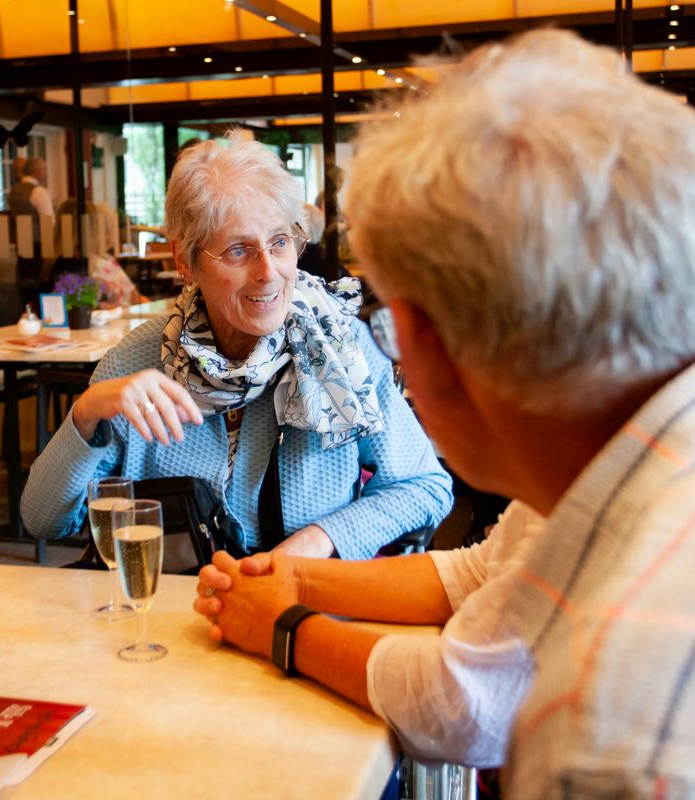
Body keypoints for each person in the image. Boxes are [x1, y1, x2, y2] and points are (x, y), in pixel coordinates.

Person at [194, 29, 695, 797]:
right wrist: (292, 579)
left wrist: (284, 630)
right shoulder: (609, 461)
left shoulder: (602, 738)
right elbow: (483, 572)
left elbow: (473, 702)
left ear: (423, 340)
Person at [22, 134, 452, 558]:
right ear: (185, 262)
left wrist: (322, 540)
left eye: (279, 242)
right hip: (173, 610)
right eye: (238, 250)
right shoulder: (136, 364)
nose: (269, 272)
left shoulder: (341, 349)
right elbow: (44, 520)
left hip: (301, 603)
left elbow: (424, 487)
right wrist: (86, 413)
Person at [8, 156, 55, 285]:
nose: (45, 174)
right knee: (39, 281)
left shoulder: (14, 191)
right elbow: (48, 222)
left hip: (21, 243)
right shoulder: (39, 191)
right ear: (36, 172)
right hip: (39, 245)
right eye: (44, 170)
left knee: (24, 280)